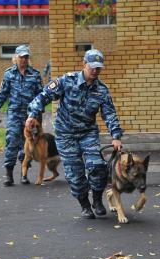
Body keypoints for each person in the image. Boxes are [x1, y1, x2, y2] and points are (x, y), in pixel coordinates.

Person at [26, 49, 123, 219]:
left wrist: (115, 136)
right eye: (92, 67)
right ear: (84, 64)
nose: (95, 71)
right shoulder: (66, 81)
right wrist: (33, 114)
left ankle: (97, 200)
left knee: (97, 166)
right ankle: (85, 204)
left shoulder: (102, 90)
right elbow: (43, 96)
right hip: (66, 135)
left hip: (88, 133)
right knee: (75, 173)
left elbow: (109, 113)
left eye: (98, 68)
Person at [0, 45, 43, 187]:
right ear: (15, 57)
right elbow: (2, 95)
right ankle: (9, 174)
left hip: (30, 116)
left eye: (26, 57)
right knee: (12, 142)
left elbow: (41, 96)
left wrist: (38, 115)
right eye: (21, 57)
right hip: (14, 114)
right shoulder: (9, 74)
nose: (24, 60)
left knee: (27, 145)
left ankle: (24, 174)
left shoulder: (35, 74)